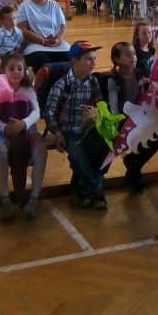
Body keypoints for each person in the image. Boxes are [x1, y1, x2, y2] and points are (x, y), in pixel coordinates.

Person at [0, 52, 46, 220]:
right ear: (4, 70)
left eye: (19, 68)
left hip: (26, 130)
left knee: (41, 150)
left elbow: (36, 112)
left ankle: (34, 197)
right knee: (0, 151)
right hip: (2, 131)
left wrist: (24, 123)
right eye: (11, 68)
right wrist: (4, 128)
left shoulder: (28, 90)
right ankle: (4, 196)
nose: (16, 72)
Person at [44, 41, 106, 209]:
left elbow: (100, 104)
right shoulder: (62, 84)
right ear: (74, 61)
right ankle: (97, 190)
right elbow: (49, 112)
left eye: (94, 59)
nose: (93, 63)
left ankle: (81, 188)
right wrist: (57, 133)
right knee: (77, 156)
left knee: (106, 150)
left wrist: (95, 113)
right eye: (88, 59)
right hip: (69, 130)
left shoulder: (93, 81)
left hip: (88, 127)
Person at [104, 41, 158, 192]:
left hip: (138, 118)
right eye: (128, 55)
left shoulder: (139, 73)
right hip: (123, 121)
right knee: (139, 139)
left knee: (156, 138)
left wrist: (149, 85)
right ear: (116, 59)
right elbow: (114, 106)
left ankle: (133, 167)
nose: (133, 57)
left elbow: (144, 96)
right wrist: (118, 126)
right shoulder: (114, 79)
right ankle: (134, 175)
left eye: (134, 54)